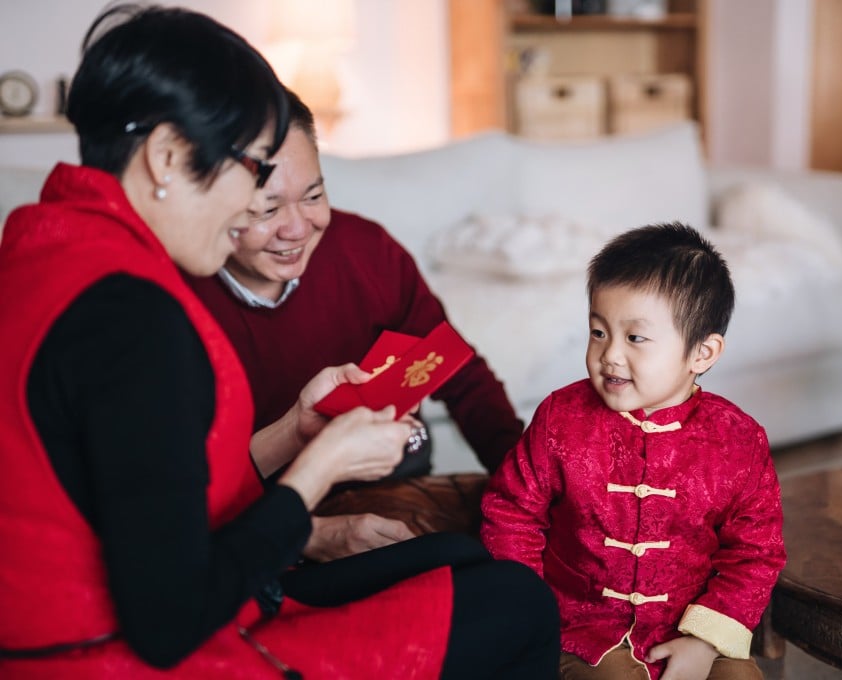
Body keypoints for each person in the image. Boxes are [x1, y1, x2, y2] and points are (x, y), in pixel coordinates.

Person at [0, 5, 558, 678]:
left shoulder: (48, 249)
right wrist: (319, 469)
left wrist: (297, 431)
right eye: (252, 172)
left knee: (465, 562)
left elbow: (160, 489)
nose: (251, 210)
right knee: (519, 603)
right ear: (168, 157)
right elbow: (169, 622)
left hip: (133, 612)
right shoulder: (136, 316)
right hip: (118, 654)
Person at [185, 89, 524, 558]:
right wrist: (307, 536)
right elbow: (179, 495)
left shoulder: (365, 250)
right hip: (252, 515)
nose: (298, 228)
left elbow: (460, 375)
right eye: (266, 210)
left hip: (396, 486)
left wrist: (531, 494)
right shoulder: (174, 300)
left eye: (314, 195)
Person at [481, 223, 786, 680]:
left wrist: (704, 642)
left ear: (701, 353)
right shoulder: (561, 418)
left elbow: (756, 552)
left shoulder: (738, 440)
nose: (610, 356)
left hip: (694, 626)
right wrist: (530, 611)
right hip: (579, 628)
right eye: (599, 332)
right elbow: (510, 512)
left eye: (635, 338)